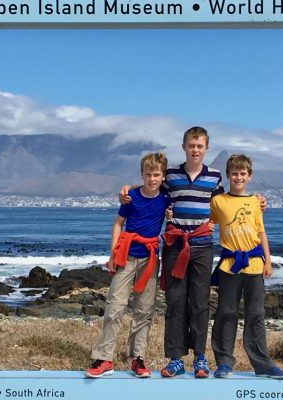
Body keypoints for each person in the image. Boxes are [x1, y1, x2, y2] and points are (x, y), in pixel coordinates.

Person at [120, 126, 223, 378]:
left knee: (199, 303)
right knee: (175, 302)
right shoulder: (172, 175)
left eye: (199, 146)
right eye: (191, 145)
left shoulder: (215, 177)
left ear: (206, 148)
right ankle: (176, 358)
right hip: (175, 246)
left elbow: (225, 203)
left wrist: (257, 201)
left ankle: (200, 358)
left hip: (202, 246)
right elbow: (151, 183)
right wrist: (127, 188)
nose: (195, 150)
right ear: (184, 147)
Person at [86, 152, 170, 379]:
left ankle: (138, 358)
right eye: (148, 174)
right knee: (115, 306)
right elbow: (118, 224)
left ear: (163, 176)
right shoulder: (131, 197)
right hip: (127, 256)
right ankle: (104, 358)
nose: (152, 179)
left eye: (156, 175)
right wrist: (113, 254)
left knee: (144, 310)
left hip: (150, 259)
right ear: (142, 175)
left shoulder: (166, 197)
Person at [209, 154, 283, 380]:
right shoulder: (218, 201)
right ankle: (224, 363)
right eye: (234, 173)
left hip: (254, 266)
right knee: (226, 313)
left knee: (256, 315)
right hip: (229, 267)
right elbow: (206, 221)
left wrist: (268, 261)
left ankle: (262, 364)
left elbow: (261, 232)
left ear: (249, 176)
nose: (238, 177)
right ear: (228, 175)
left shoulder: (255, 202)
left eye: (243, 173)